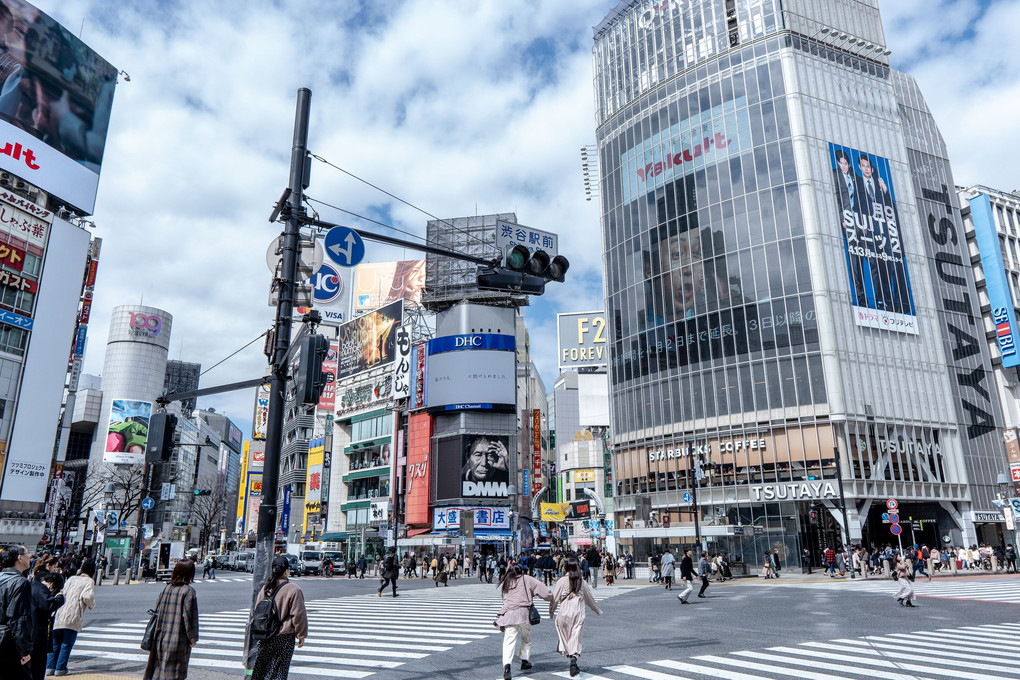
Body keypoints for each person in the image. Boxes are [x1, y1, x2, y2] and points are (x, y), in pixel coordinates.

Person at [251, 555, 308, 680]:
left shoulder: (266, 587)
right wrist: (301, 635)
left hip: (266, 635)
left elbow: (257, 609)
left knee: (262, 671)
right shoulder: (293, 589)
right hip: (284, 637)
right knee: (279, 673)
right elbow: (298, 615)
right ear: (287, 570)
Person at [493, 562, 552, 680]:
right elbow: (545, 592)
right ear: (521, 571)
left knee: (509, 641)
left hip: (510, 614)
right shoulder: (527, 579)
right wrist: (550, 598)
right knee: (526, 637)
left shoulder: (506, 582)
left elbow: (504, 599)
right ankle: (524, 660)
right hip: (524, 613)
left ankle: (507, 667)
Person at [142, 559, 199, 680]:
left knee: (157, 671)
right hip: (177, 639)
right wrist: (193, 638)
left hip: (160, 637)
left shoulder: (166, 589)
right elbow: (189, 618)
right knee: (174, 673)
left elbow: (157, 612)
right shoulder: (188, 592)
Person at [549, 556, 602, 678]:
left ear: (566, 567)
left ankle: (571, 659)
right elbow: (589, 599)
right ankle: (574, 659)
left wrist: (551, 611)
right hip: (578, 611)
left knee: (566, 638)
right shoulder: (581, 581)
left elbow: (555, 598)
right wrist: (597, 610)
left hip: (563, 612)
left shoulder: (562, 581)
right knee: (575, 637)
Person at [49, 560, 96, 677]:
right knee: (66, 643)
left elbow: (62, 592)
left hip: (59, 613)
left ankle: (49, 668)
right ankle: (60, 669)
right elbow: (87, 596)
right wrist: (91, 605)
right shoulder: (89, 581)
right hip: (73, 616)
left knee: (55, 643)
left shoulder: (71, 578)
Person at [0, 544, 34, 679]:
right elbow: (18, 619)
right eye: (27, 554)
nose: (30, 557)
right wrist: (24, 651)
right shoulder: (19, 582)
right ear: (19, 558)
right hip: (8, 646)